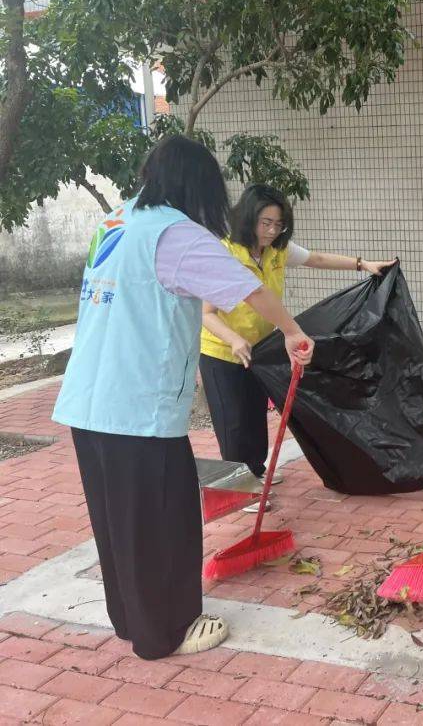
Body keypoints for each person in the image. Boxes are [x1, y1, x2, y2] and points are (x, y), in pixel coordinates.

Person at [52, 136, 314, 660]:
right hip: (138, 408)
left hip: (88, 402)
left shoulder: (116, 221)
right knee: (163, 519)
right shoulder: (176, 233)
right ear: (199, 186)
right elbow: (247, 287)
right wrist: (290, 331)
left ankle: (130, 618)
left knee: (118, 522)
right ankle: (166, 631)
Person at [198, 184, 394, 504]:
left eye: (278, 224)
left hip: (260, 350)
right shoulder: (223, 253)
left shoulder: (277, 250)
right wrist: (233, 339)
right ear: (248, 218)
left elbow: (315, 258)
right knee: (233, 423)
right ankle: (237, 492)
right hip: (223, 353)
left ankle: (255, 472)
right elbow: (205, 313)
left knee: (253, 418)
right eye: (266, 223)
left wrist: (362, 264)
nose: (272, 230)